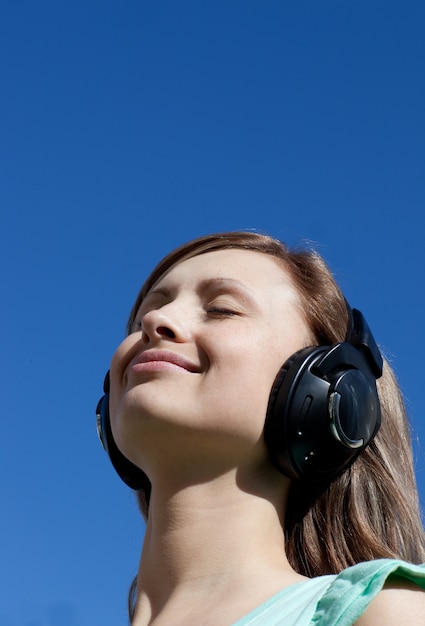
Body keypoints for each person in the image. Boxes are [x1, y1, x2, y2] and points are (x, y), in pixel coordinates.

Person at [96, 231, 425, 625]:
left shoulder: (384, 612)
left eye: (221, 309)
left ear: (326, 392)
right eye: (142, 316)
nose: (154, 320)